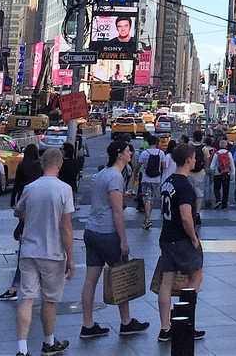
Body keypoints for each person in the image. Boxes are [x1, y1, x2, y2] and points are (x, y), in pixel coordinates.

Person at [79, 140, 148, 339]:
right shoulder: (116, 177)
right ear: (120, 154)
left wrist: (121, 196)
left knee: (91, 279)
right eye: (128, 151)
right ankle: (126, 321)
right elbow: (117, 212)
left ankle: (87, 323)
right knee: (121, 276)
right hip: (107, 233)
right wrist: (123, 240)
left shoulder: (102, 174)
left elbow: (105, 200)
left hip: (91, 230)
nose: (131, 153)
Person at [13, 148, 75, 356]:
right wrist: (71, 258)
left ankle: (22, 348)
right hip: (53, 252)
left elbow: (18, 211)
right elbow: (66, 227)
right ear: (60, 165)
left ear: (42, 165)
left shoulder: (31, 188)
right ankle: (48, 342)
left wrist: (32, 217)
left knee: (26, 298)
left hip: (29, 250)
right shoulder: (64, 189)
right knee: (49, 300)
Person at [156, 143, 206, 343]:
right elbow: (186, 217)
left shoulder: (168, 182)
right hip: (182, 239)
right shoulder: (185, 185)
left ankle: (165, 327)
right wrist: (194, 237)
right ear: (188, 160)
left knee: (166, 282)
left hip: (166, 236)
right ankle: (186, 323)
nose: (195, 161)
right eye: (194, 158)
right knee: (195, 278)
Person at [0, 144, 44, 301]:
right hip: (36, 209)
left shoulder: (23, 165)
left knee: (23, 240)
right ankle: (22, 285)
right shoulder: (40, 170)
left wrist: (13, 200)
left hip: (23, 202)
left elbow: (17, 183)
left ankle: (15, 287)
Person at [138, 134, 169, 230]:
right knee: (151, 198)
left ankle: (147, 219)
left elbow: (139, 165)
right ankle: (148, 217)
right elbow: (164, 167)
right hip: (156, 179)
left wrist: (135, 175)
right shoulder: (161, 153)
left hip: (146, 179)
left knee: (147, 198)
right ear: (156, 143)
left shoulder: (144, 153)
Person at [211, 138, 233, 210]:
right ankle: (224, 205)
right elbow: (232, 164)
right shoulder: (229, 153)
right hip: (227, 173)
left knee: (216, 188)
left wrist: (212, 173)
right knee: (226, 190)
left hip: (218, 174)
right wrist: (232, 173)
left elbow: (212, 165)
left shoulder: (217, 153)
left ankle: (218, 199)